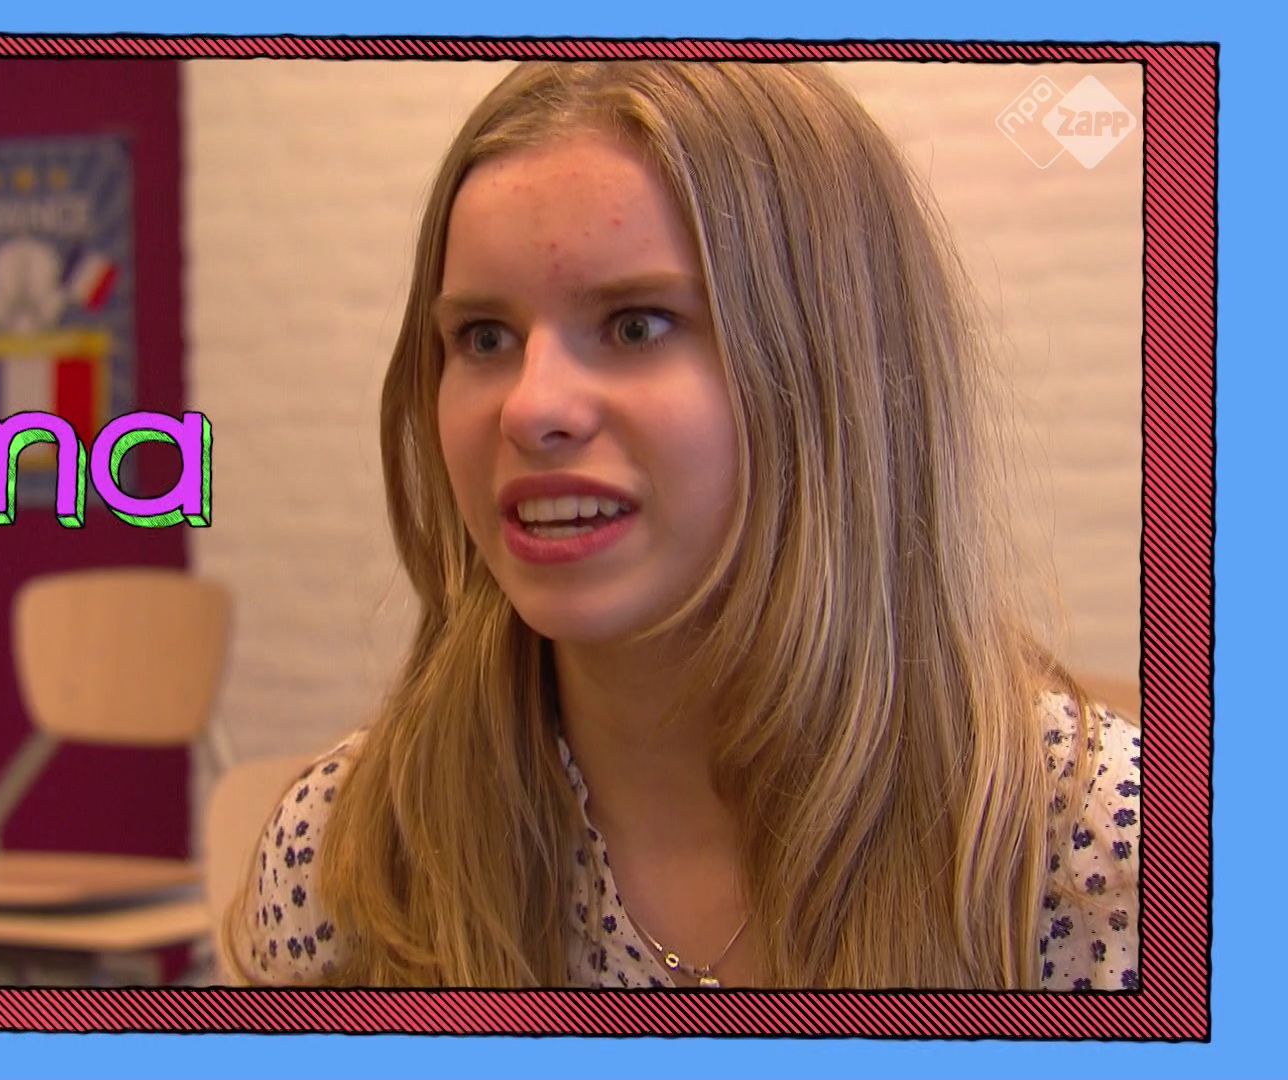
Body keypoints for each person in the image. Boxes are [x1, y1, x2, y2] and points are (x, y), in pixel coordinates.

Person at [225, 61, 1140, 990]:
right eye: (484, 337)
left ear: (830, 371)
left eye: (635, 325)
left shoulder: (1104, 860)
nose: (531, 408)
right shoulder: (349, 862)